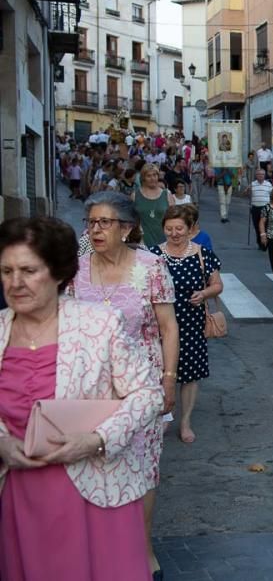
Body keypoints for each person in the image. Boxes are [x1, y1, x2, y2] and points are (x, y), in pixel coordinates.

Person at [0, 216, 163, 580]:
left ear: (57, 272)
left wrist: (96, 440)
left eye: (28, 270)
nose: (15, 283)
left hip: (97, 492)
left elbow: (148, 394)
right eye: (6, 270)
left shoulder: (99, 324)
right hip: (21, 493)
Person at [70, 192, 179, 578]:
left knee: (142, 470)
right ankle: (99, 548)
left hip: (141, 388)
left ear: (127, 228)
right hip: (90, 389)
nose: (96, 230)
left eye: (105, 222)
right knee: (93, 467)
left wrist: (169, 381)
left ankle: (142, 550)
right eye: (91, 222)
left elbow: (168, 327)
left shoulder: (150, 267)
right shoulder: (77, 269)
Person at [149, 205, 223, 445]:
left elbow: (217, 285)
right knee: (160, 372)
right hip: (160, 323)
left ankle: (185, 421)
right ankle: (164, 416)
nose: (174, 233)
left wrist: (203, 294)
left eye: (179, 228)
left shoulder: (202, 253)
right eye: (169, 228)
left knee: (190, 375)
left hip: (191, 322)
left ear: (190, 229)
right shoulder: (153, 255)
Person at [134, 163, 174, 248]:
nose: (152, 178)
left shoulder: (167, 194)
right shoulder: (135, 195)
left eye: (155, 175)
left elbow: (174, 219)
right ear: (143, 178)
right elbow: (132, 219)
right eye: (149, 176)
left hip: (165, 241)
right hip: (142, 241)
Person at [250, 169, 273, 251]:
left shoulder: (268, 184)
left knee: (265, 226)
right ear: (256, 175)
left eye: (262, 174)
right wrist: (248, 190)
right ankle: (259, 242)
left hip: (265, 208)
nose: (260, 176)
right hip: (255, 208)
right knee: (257, 227)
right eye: (259, 174)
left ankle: (265, 244)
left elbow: (272, 195)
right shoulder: (252, 184)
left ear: (264, 175)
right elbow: (245, 194)